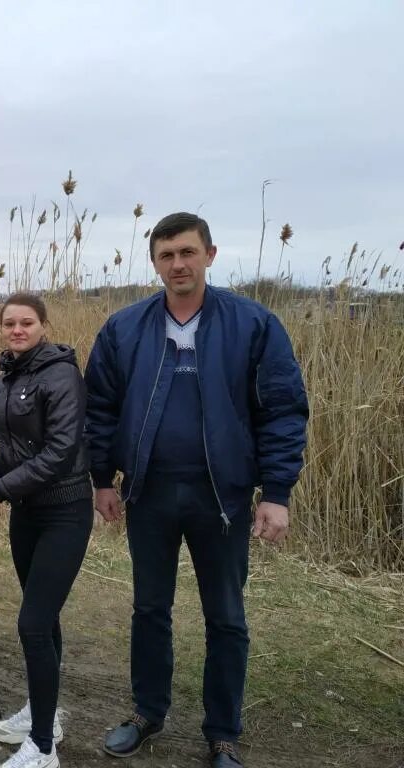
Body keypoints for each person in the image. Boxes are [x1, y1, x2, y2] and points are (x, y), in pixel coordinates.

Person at [85, 212, 309, 768]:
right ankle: (146, 712)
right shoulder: (124, 328)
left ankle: (223, 733)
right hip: (150, 496)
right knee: (149, 609)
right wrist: (101, 480)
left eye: (187, 252)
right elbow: (101, 409)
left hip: (222, 499)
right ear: (155, 262)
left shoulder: (254, 325)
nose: (177, 264)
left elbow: (283, 411)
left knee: (227, 617)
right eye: (166, 255)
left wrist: (276, 493)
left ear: (209, 254)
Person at [0, 292, 94, 768]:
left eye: (27, 323)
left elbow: (59, 452)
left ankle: (43, 748)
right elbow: (12, 450)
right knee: (45, 618)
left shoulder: (62, 375)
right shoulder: (4, 377)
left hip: (64, 512)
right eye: (9, 323)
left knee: (33, 625)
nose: (17, 330)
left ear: (43, 325)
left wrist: (1, 492)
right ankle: (47, 714)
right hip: (28, 514)